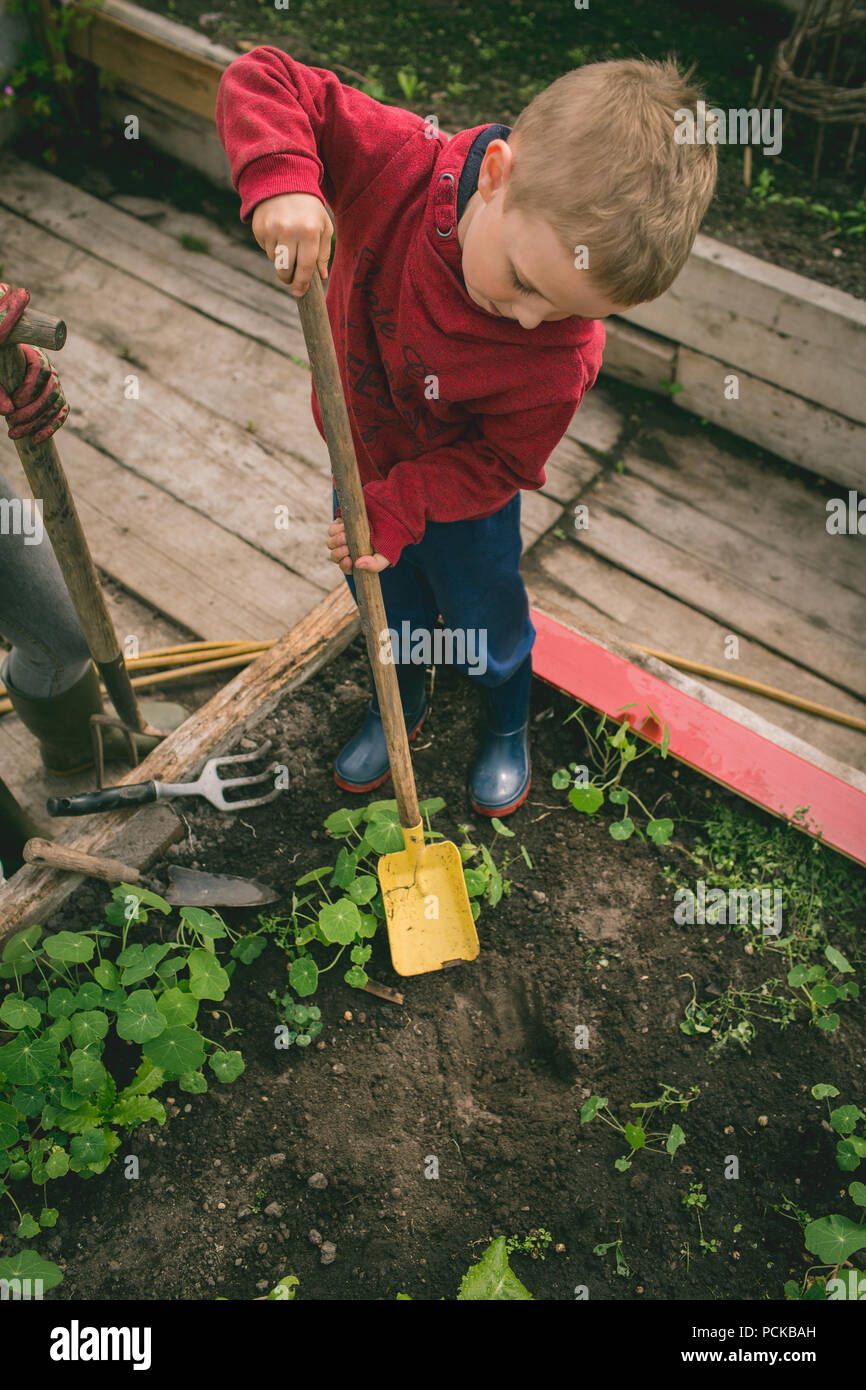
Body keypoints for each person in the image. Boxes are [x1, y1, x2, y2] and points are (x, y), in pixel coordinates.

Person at [216, 54, 716, 815]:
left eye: (562, 309)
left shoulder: (564, 353)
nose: (526, 319)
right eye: (523, 281)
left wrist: (406, 502)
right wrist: (283, 177)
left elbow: (500, 460)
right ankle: (402, 704)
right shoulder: (395, 166)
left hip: (462, 504)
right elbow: (266, 80)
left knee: (483, 621)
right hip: (359, 465)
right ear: (496, 176)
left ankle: (506, 719)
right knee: (385, 603)